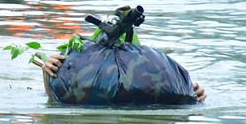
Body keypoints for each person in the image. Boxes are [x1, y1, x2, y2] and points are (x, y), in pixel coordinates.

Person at [42, 50, 206, 103]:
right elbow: (53, 102)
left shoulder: (149, 81)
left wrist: (192, 95)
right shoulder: (78, 80)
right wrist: (48, 74)